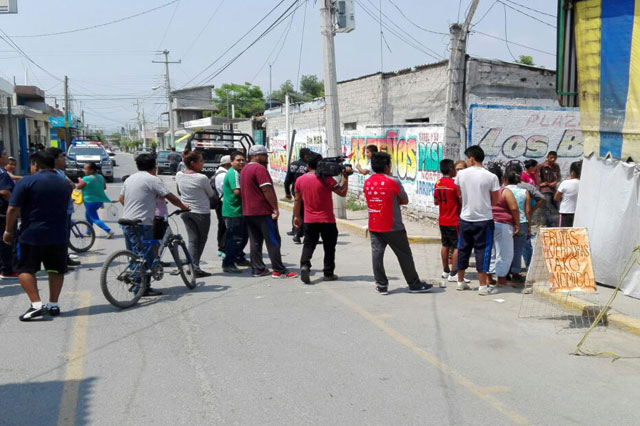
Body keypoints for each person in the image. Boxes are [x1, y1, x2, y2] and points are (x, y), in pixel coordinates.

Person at [4, 152, 72, 320]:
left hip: (31, 234)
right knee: (56, 269)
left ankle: (36, 304)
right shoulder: (64, 182)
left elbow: (13, 208)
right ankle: (53, 304)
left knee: (24, 269)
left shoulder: (27, 181)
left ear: (35, 165)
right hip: (59, 234)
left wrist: (8, 230)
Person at [119, 153, 189, 296]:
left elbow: (121, 198)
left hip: (126, 220)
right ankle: (143, 288)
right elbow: (170, 196)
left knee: (134, 253)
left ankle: (136, 282)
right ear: (154, 166)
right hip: (143, 222)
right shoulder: (152, 179)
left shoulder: (130, 179)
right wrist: (183, 206)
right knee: (145, 255)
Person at [365, 152, 433, 295]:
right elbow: (404, 200)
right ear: (386, 166)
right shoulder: (393, 181)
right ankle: (414, 284)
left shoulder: (368, 182)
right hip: (393, 225)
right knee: (404, 255)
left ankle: (381, 285)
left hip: (374, 223)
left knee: (377, 255)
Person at [240, 145, 297, 279]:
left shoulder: (245, 169)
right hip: (262, 211)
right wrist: (275, 208)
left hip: (249, 211)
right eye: (264, 155)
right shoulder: (259, 169)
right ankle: (278, 269)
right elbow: (267, 189)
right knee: (273, 240)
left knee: (255, 242)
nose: (267, 158)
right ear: (255, 156)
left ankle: (258, 269)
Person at [294, 152, 349, 284]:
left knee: (308, 244)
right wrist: (345, 177)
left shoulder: (300, 180)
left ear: (307, 165)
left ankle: (305, 265)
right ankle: (328, 273)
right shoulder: (326, 179)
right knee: (329, 247)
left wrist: (296, 216)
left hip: (309, 219)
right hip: (327, 219)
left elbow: (297, 200)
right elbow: (342, 192)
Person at [455, 145, 500, 295]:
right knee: (483, 250)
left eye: (467, 158)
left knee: (463, 248)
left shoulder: (461, 175)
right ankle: (482, 286)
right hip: (484, 219)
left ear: (472, 158)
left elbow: (459, 193)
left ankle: (460, 281)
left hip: (465, 218)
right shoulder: (491, 176)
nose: (467, 161)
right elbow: (495, 200)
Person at [175, 151, 214, 277]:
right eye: (201, 161)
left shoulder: (179, 175)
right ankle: (195, 267)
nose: (203, 164)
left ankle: (192, 265)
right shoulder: (201, 178)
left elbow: (179, 191)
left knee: (193, 240)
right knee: (201, 240)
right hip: (201, 212)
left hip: (185, 210)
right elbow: (211, 194)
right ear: (193, 163)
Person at [505, 161, 545, 278]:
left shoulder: (503, 189)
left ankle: (504, 273)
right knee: (519, 248)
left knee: (505, 248)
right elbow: (541, 199)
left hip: (506, 222)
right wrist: (530, 217)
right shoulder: (526, 188)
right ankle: (518, 271)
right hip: (522, 221)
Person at [434, 159, 471, 286]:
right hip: (453, 219)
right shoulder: (454, 184)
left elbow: (435, 201)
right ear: (451, 170)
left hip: (442, 218)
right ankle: (454, 274)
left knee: (445, 244)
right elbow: (460, 201)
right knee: (457, 247)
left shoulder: (438, 183)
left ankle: (445, 271)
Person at [486, 165, 521, 287]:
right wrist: (517, 223)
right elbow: (514, 208)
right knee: (505, 252)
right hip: (503, 224)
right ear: (501, 178)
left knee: (491, 252)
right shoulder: (504, 191)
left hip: (488, 223)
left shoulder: (485, 192)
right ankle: (501, 279)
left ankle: (488, 277)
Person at [47, 147, 81, 268]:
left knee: (65, 236)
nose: (64, 159)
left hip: (66, 209)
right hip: (60, 210)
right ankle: (60, 261)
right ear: (55, 159)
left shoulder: (60, 172)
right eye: (62, 157)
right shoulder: (53, 173)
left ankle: (64, 258)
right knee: (60, 236)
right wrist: (70, 185)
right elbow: (68, 185)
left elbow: (71, 184)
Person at [221, 151, 250, 273]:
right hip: (233, 211)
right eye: (238, 160)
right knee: (234, 238)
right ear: (231, 162)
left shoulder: (238, 172)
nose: (241, 162)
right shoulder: (233, 173)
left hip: (238, 210)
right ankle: (228, 263)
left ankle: (239, 258)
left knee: (242, 236)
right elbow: (237, 191)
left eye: (243, 160)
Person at [76, 162, 114, 238]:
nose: (84, 170)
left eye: (85, 169)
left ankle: (109, 230)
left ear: (92, 170)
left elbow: (78, 187)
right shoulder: (100, 177)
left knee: (94, 218)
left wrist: (80, 181)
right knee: (88, 216)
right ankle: (88, 232)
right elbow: (104, 187)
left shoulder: (86, 178)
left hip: (90, 201)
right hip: (99, 201)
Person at [284, 147, 311, 243]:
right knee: (303, 212)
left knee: (297, 210)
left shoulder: (293, 164)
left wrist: (287, 192)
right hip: (306, 192)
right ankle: (298, 233)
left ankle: (294, 230)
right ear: (306, 156)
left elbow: (287, 180)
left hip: (295, 191)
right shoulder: (308, 166)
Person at [0, 147, 17, 279]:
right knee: (7, 240)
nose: (7, 156)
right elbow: (5, 193)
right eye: (4, 154)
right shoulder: (2, 174)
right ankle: (7, 270)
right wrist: (15, 206)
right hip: (4, 213)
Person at [536, 151, 562, 227]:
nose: (553, 159)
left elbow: (559, 176)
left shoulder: (556, 166)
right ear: (547, 157)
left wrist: (555, 182)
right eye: (551, 157)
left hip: (553, 189)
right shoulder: (541, 166)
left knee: (557, 206)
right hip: (545, 190)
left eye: (555, 158)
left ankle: (557, 223)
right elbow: (537, 177)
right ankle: (549, 225)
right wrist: (541, 184)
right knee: (546, 208)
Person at [212, 155, 231, 258]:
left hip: (219, 202)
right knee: (225, 227)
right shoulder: (224, 175)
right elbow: (227, 190)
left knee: (222, 226)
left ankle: (221, 247)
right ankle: (223, 248)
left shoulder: (218, 172)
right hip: (224, 202)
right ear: (228, 164)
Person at [554, 161, 582, 227]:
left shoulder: (565, 183)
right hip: (579, 213)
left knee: (564, 234)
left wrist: (563, 198)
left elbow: (556, 198)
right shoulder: (584, 183)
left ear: (572, 172)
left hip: (566, 212)